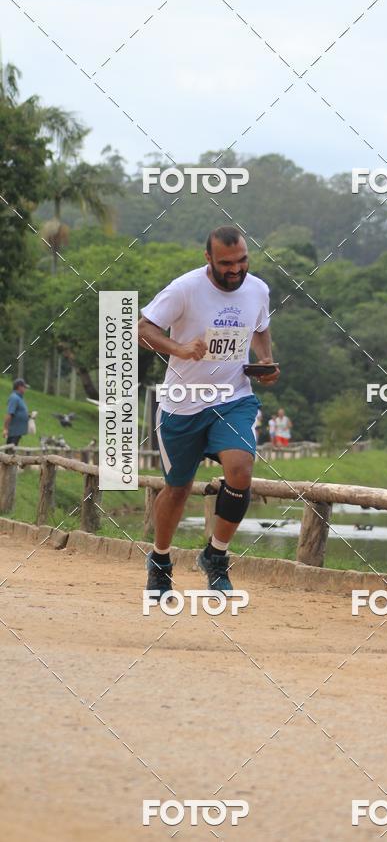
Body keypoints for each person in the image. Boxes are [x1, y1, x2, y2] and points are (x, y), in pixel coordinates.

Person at [138, 225, 280, 596]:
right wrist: (179, 349)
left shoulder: (258, 289)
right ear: (208, 259)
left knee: (240, 470)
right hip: (182, 405)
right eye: (226, 263)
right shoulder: (184, 289)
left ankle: (216, 555)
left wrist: (265, 360)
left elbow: (261, 327)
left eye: (242, 261)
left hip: (233, 398)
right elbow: (143, 329)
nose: (236, 269)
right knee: (178, 489)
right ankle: (160, 560)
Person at [3, 379, 29, 447]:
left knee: (12, 448)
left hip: (17, 431)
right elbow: (9, 414)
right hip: (14, 431)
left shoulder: (19, 398)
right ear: (19, 387)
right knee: (10, 448)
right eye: (24, 387)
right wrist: (5, 429)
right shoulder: (14, 398)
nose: (25, 389)